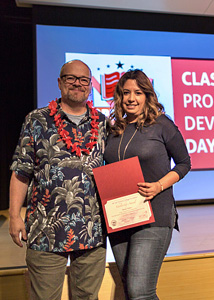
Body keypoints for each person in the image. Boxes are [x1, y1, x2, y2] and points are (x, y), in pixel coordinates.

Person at [9, 60, 107, 300]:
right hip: (46, 230)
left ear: (90, 85)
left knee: (87, 297)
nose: (77, 84)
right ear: (60, 82)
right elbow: (21, 171)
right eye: (70, 78)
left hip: (91, 232)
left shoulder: (103, 124)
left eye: (84, 79)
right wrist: (13, 216)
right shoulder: (37, 120)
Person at [104, 69, 191, 300]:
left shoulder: (162, 125)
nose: (131, 98)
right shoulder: (114, 130)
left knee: (141, 292)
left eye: (138, 93)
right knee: (131, 289)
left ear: (147, 96)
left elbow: (184, 163)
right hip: (121, 218)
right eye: (126, 93)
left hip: (154, 216)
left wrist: (158, 186)